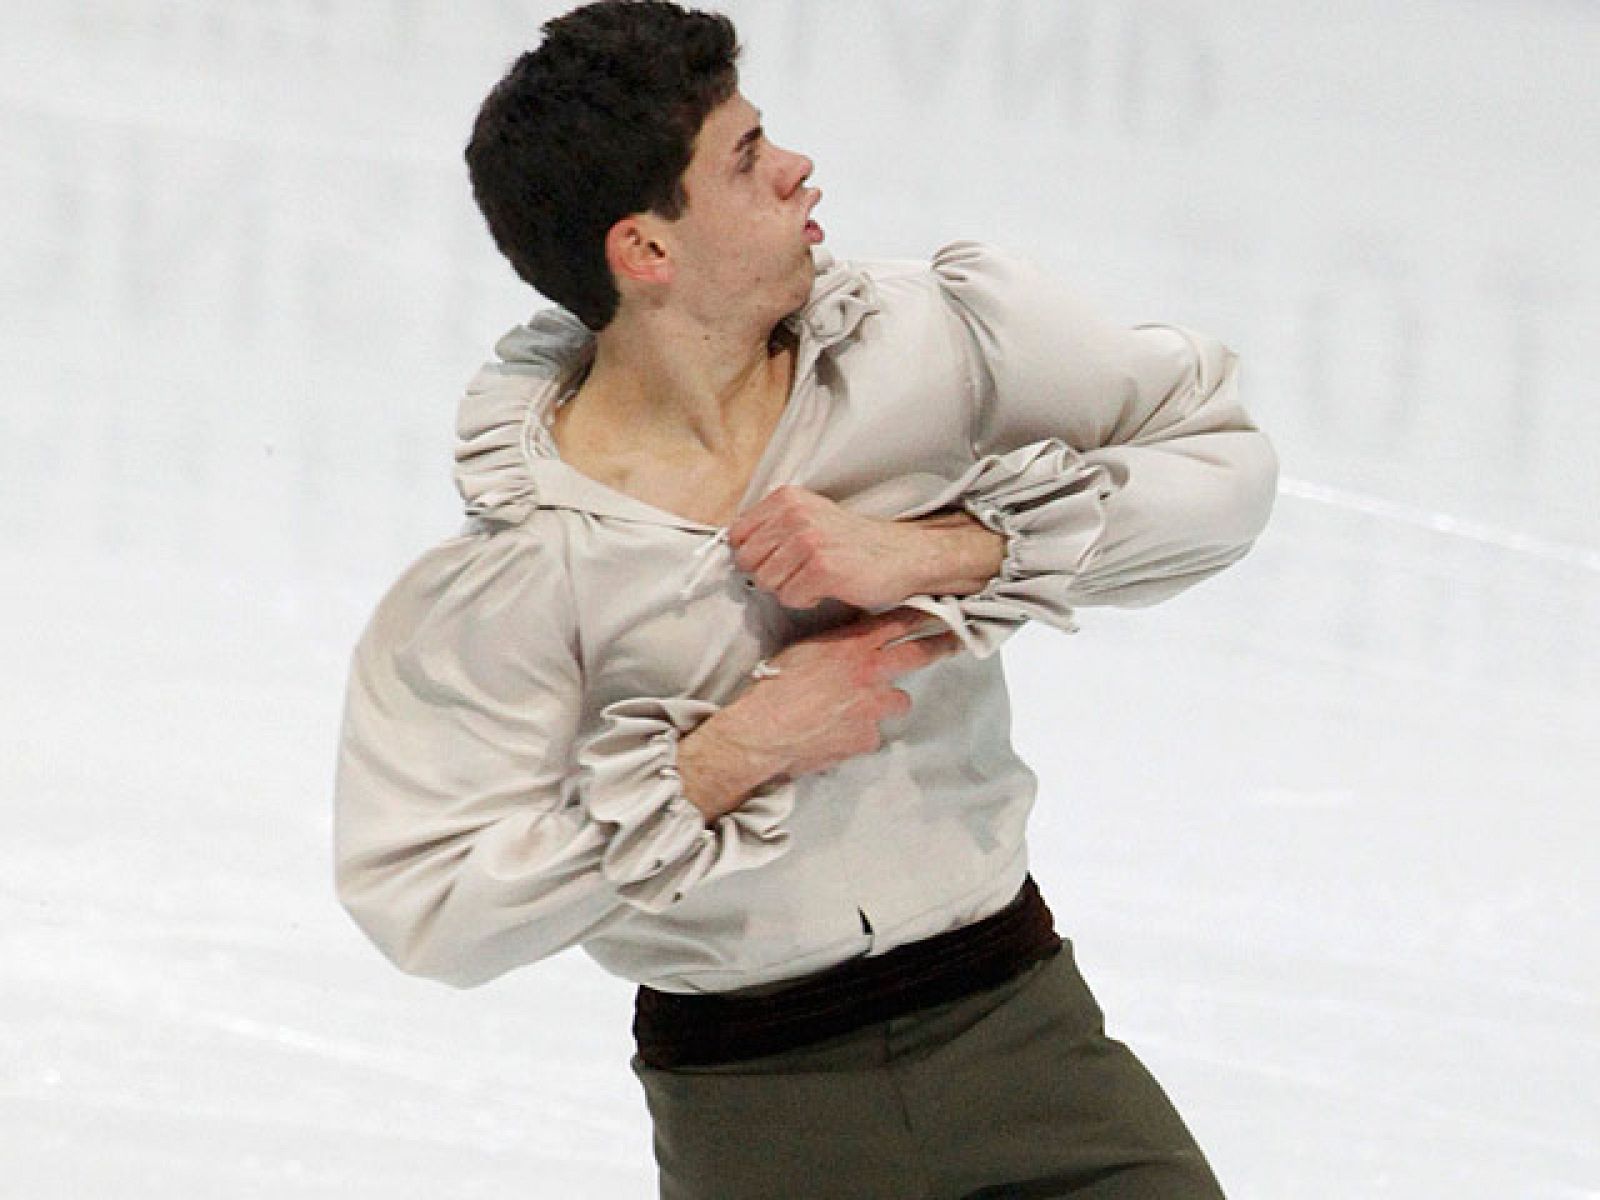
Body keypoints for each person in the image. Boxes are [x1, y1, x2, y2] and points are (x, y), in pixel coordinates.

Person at [333, 2, 1278, 1196]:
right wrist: (725, 757)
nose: (794, 169)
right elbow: (431, 904)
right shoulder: (525, 569)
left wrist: (940, 551)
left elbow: (1221, 468)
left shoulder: (930, 347)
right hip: (757, 1119)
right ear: (646, 250)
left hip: (1029, 1049)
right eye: (744, 159)